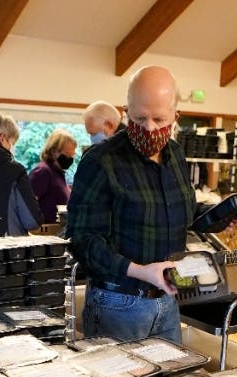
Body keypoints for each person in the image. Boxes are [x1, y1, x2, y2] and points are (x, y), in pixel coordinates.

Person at [67, 66, 196, 344]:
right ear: (126, 112)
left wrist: (220, 217)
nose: (149, 128)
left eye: (159, 118)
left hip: (168, 299)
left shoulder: (176, 156)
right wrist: (139, 270)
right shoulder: (101, 161)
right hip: (118, 301)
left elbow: (182, 215)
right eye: (140, 118)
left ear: (176, 116)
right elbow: (81, 240)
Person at [29, 128, 77, 223]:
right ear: (53, 151)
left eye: (72, 155)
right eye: (66, 153)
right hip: (44, 232)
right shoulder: (43, 171)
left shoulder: (58, 173)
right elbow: (28, 204)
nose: (69, 158)